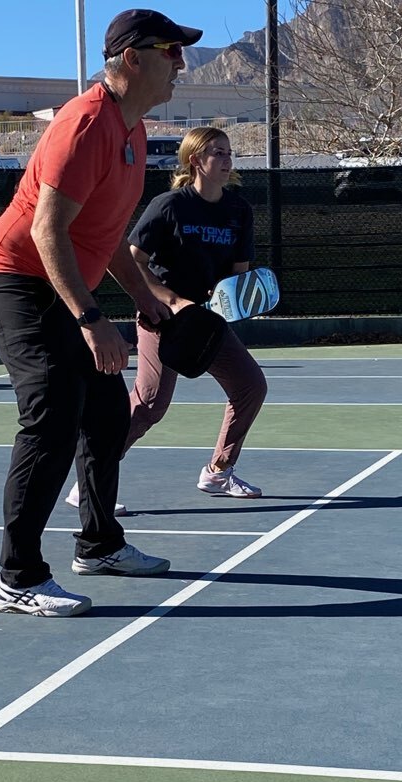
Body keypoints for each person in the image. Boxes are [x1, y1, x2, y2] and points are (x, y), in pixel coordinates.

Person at [0, 9, 203, 617]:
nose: (181, 62)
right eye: (172, 51)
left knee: (103, 413)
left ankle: (98, 544)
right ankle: (17, 576)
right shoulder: (85, 126)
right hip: (15, 279)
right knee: (51, 412)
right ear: (133, 58)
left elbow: (105, 237)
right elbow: (49, 233)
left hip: (64, 278)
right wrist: (91, 321)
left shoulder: (132, 130)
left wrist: (145, 299)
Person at [65, 125, 267, 512]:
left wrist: (232, 296)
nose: (227, 160)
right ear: (196, 161)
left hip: (207, 321)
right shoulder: (169, 205)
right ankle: (88, 483)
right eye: (218, 153)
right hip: (161, 317)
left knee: (250, 386)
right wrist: (169, 300)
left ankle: (218, 472)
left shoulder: (239, 210)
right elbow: (131, 261)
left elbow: (238, 273)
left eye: (229, 153)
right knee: (150, 404)